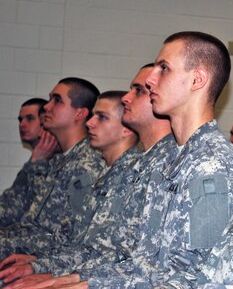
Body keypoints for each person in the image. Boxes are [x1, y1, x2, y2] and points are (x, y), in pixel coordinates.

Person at [0, 64, 177, 289]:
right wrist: (45, 268)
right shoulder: (124, 169)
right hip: (86, 271)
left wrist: (51, 272)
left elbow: (139, 262)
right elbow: (86, 246)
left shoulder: (106, 168)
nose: (90, 123)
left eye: (101, 117)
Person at [127, 31, 233, 288]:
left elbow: (191, 278)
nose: (150, 81)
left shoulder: (214, 166)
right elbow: (144, 266)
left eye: (163, 69)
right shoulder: (168, 159)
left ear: (197, 79)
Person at [0, 77, 106, 261]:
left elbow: (69, 239)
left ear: (79, 114)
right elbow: (32, 225)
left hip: (46, 261)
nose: (47, 107)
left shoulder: (87, 165)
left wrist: (7, 242)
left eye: (57, 100)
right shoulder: (60, 160)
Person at [0, 98, 59, 228]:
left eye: (30, 118)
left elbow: (33, 211)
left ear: (45, 122)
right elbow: (11, 200)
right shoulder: (37, 158)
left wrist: (37, 162)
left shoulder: (55, 161)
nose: (22, 125)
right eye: (20, 120)